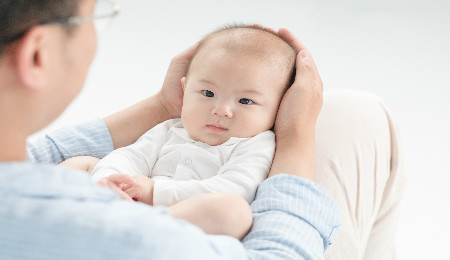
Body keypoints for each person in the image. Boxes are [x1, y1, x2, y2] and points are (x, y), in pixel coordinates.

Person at [0, 1, 405, 259]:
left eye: (246, 101)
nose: (223, 110)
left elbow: (231, 182)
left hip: (155, 199)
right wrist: (297, 134)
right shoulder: (138, 240)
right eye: (94, 17)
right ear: (38, 53)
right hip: (157, 218)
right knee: (358, 114)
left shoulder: (252, 146)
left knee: (81, 164)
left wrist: (116, 176)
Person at [59, 24, 297, 239]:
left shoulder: (257, 144)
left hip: (172, 224)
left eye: (245, 101)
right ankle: (83, 215)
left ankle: (126, 228)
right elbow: (131, 156)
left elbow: (235, 188)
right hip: (129, 203)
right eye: (208, 93)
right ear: (185, 89)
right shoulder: (171, 129)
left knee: (234, 212)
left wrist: (154, 192)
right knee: (80, 164)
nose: (221, 110)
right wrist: (113, 180)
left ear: (279, 107)